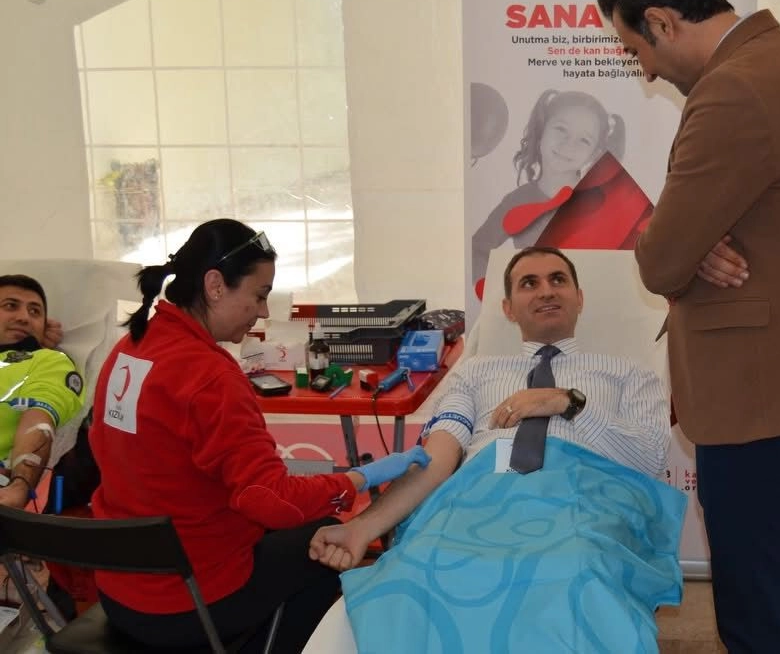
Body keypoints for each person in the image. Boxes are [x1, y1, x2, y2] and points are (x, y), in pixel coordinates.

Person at [597, 0, 780, 652]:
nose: (645, 72)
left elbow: (661, 260)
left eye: (636, 50)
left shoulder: (734, 92)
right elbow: (706, 237)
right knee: (770, 583)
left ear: (662, 21)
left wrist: (680, 245)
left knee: (755, 606)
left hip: (761, 392)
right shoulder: (775, 62)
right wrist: (690, 243)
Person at [89, 218, 430, 653]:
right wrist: (358, 480)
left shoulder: (129, 350)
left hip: (120, 589)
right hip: (184, 602)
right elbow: (272, 501)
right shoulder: (210, 377)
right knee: (327, 541)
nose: (264, 312)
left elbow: (112, 452)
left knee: (300, 529)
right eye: (260, 295)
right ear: (215, 286)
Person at [310, 245, 671, 571]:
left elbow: (649, 460)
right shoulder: (474, 373)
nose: (546, 291)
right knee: (428, 566)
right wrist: (361, 528)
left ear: (579, 299)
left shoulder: (629, 374)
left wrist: (567, 402)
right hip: (481, 506)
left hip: (585, 510)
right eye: (529, 283)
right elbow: (436, 461)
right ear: (508, 309)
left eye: (558, 280)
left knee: (570, 566)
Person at [470, 89, 627, 300]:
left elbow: (623, 269)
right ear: (542, 129)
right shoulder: (517, 201)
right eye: (561, 129)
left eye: (584, 140)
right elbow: (477, 249)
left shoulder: (603, 204)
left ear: (594, 153)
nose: (568, 144)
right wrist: (491, 293)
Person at [0, 275, 85, 509]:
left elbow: (38, 419)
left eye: (35, 312)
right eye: (10, 306)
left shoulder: (49, 361)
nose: (24, 317)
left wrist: (19, 486)